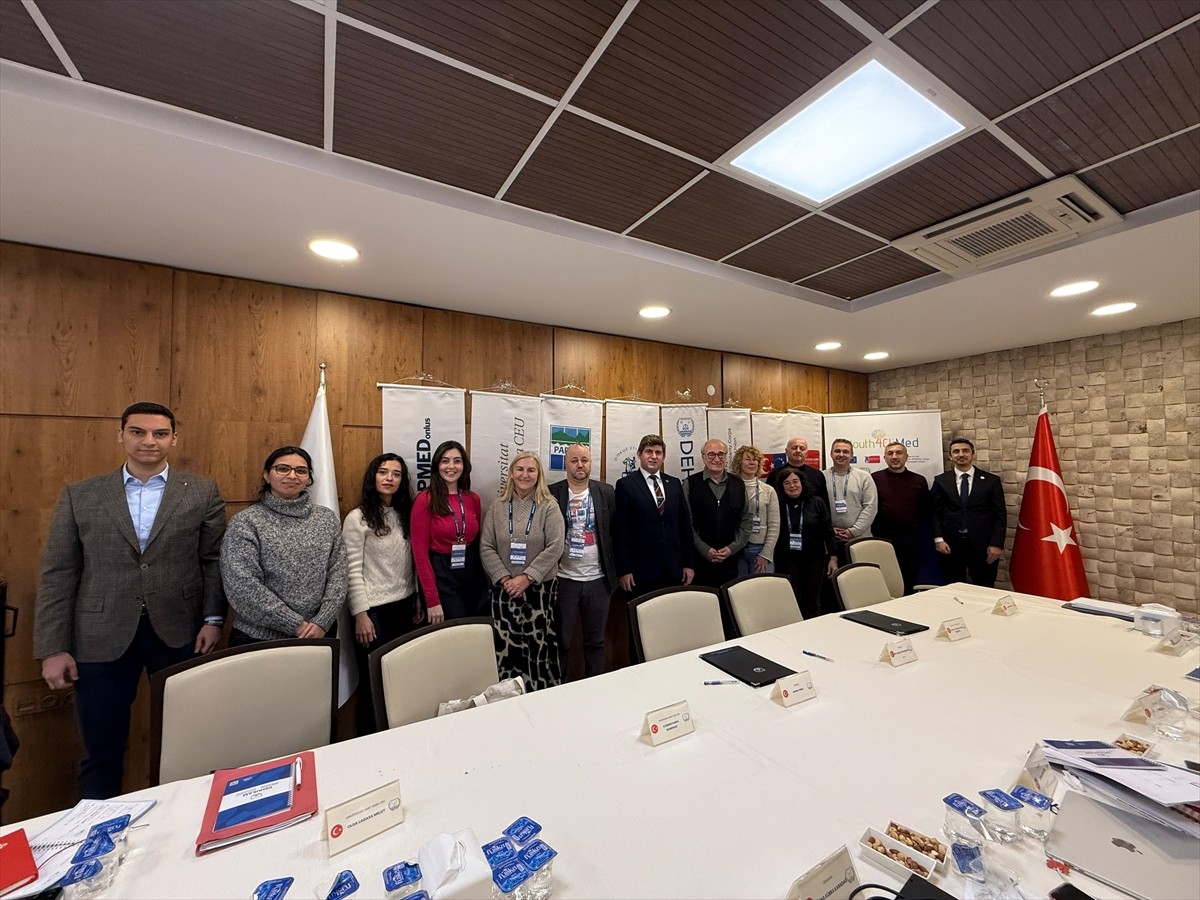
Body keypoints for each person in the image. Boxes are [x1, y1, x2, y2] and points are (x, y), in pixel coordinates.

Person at [35, 401, 227, 799]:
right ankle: (97, 838)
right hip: (99, 637)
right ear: (120, 434)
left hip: (180, 634)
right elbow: (59, 573)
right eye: (138, 432)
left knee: (188, 743)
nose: (149, 441)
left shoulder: (202, 492)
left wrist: (212, 620)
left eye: (159, 433)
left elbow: (213, 561)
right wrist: (53, 647)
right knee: (101, 750)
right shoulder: (80, 495)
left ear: (174, 438)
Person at [221, 446, 347, 645]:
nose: (292, 475)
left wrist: (322, 621)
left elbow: (338, 573)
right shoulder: (246, 522)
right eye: (282, 469)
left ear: (309, 478)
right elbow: (241, 585)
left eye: (301, 471)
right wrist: (294, 624)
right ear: (267, 475)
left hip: (320, 632)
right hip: (259, 638)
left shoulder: (326, 519)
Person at [342, 453, 420, 735]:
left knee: (399, 678)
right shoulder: (357, 518)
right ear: (372, 477)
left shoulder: (405, 515)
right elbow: (351, 571)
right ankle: (371, 741)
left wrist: (418, 598)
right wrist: (360, 614)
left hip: (406, 607)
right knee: (374, 681)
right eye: (383, 472)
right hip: (373, 612)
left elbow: (412, 562)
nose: (389, 478)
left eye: (396, 474)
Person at [480, 452, 565, 691]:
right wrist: (506, 579)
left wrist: (527, 578)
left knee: (538, 651)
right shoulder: (498, 506)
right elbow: (486, 546)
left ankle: (540, 698)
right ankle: (507, 699)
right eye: (520, 469)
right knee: (507, 651)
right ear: (511, 473)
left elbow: (555, 546)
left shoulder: (549, 505)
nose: (525, 475)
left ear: (539, 475)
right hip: (504, 592)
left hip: (538, 593)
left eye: (531, 470)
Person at [549, 444, 616, 679]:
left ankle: (595, 688)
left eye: (584, 460)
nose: (580, 465)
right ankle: (561, 688)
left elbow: (615, 533)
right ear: (565, 464)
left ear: (590, 463)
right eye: (575, 460)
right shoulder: (551, 493)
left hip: (598, 580)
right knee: (562, 642)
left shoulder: (605, 492)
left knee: (596, 642)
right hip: (564, 579)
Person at [411, 440, 484, 622]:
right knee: (455, 631)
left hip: (470, 571)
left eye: (457, 461)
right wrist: (432, 599)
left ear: (464, 466)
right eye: (445, 461)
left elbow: (476, 539)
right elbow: (419, 554)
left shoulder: (472, 499)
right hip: (440, 574)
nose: (451, 466)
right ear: (437, 465)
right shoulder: (425, 500)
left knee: (473, 629)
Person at [613, 434, 695, 596]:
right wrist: (624, 570)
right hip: (641, 571)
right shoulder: (626, 485)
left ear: (663, 457)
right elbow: (620, 531)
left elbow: (684, 526)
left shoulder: (674, 483)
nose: (653, 456)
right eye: (648, 452)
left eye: (658, 453)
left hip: (673, 569)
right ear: (639, 454)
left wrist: (689, 564)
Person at [930, 437, 1007, 588]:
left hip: (983, 546)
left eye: (965, 450)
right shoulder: (941, 480)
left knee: (984, 587)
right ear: (950, 456)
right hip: (950, 545)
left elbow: (1000, 515)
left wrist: (996, 544)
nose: (961, 454)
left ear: (973, 453)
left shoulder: (991, 481)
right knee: (953, 588)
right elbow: (934, 512)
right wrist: (938, 539)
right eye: (956, 451)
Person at [683, 439, 752, 587]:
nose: (716, 459)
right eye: (711, 454)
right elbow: (685, 523)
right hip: (700, 560)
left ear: (726, 457)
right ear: (703, 457)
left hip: (731, 559)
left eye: (721, 454)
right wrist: (704, 549)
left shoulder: (738, 483)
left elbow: (746, 519)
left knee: (729, 604)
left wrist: (732, 548)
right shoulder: (690, 484)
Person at [773, 466, 837, 619]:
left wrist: (833, 557)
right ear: (782, 486)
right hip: (787, 559)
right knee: (791, 598)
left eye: (795, 481)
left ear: (802, 483)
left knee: (812, 600)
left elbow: (828, 531)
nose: (792, 486)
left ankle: (812, 631)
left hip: (814, 558)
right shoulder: (777, 504)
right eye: (787, 483)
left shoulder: (817, 502)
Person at [871, 442, 931, 594]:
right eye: (890, 453)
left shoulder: (919, 480)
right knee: (884, 579)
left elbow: (925, 510)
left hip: (910, 539)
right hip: (882, 538)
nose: (894, 457)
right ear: (884, 457)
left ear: (906, 457)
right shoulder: (874, 478)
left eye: (899, 453)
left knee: (909, 578)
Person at [824, 438, 878, 564]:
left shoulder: (864, 477)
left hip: (860, 540)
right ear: (831, 454)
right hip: (831, 541)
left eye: (845, 451)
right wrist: (829, 530)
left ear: (852, 455)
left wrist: (853, 531)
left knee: (861, 579)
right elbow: (818, 509)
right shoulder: (822, 477)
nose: (841, 454)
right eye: (837, 451)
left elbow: (870, 507)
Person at [732, 445, 779, 575]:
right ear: (739, 463)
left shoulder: (768, 491)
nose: (752, 462)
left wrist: (766, 554)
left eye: (755, 459)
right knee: (739, 592)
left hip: (760, 549)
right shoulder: (731, 488)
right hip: (737, 549)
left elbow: (774, 525)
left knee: (762, 591)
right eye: (747, 459)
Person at [766, 436, 829, 507]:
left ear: (806, 453)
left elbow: (824, 503)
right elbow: (770, 501)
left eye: (802, 448)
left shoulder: (817, 475)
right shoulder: (775, 475)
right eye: (794, 448)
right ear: (786, 451)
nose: (798, 451)